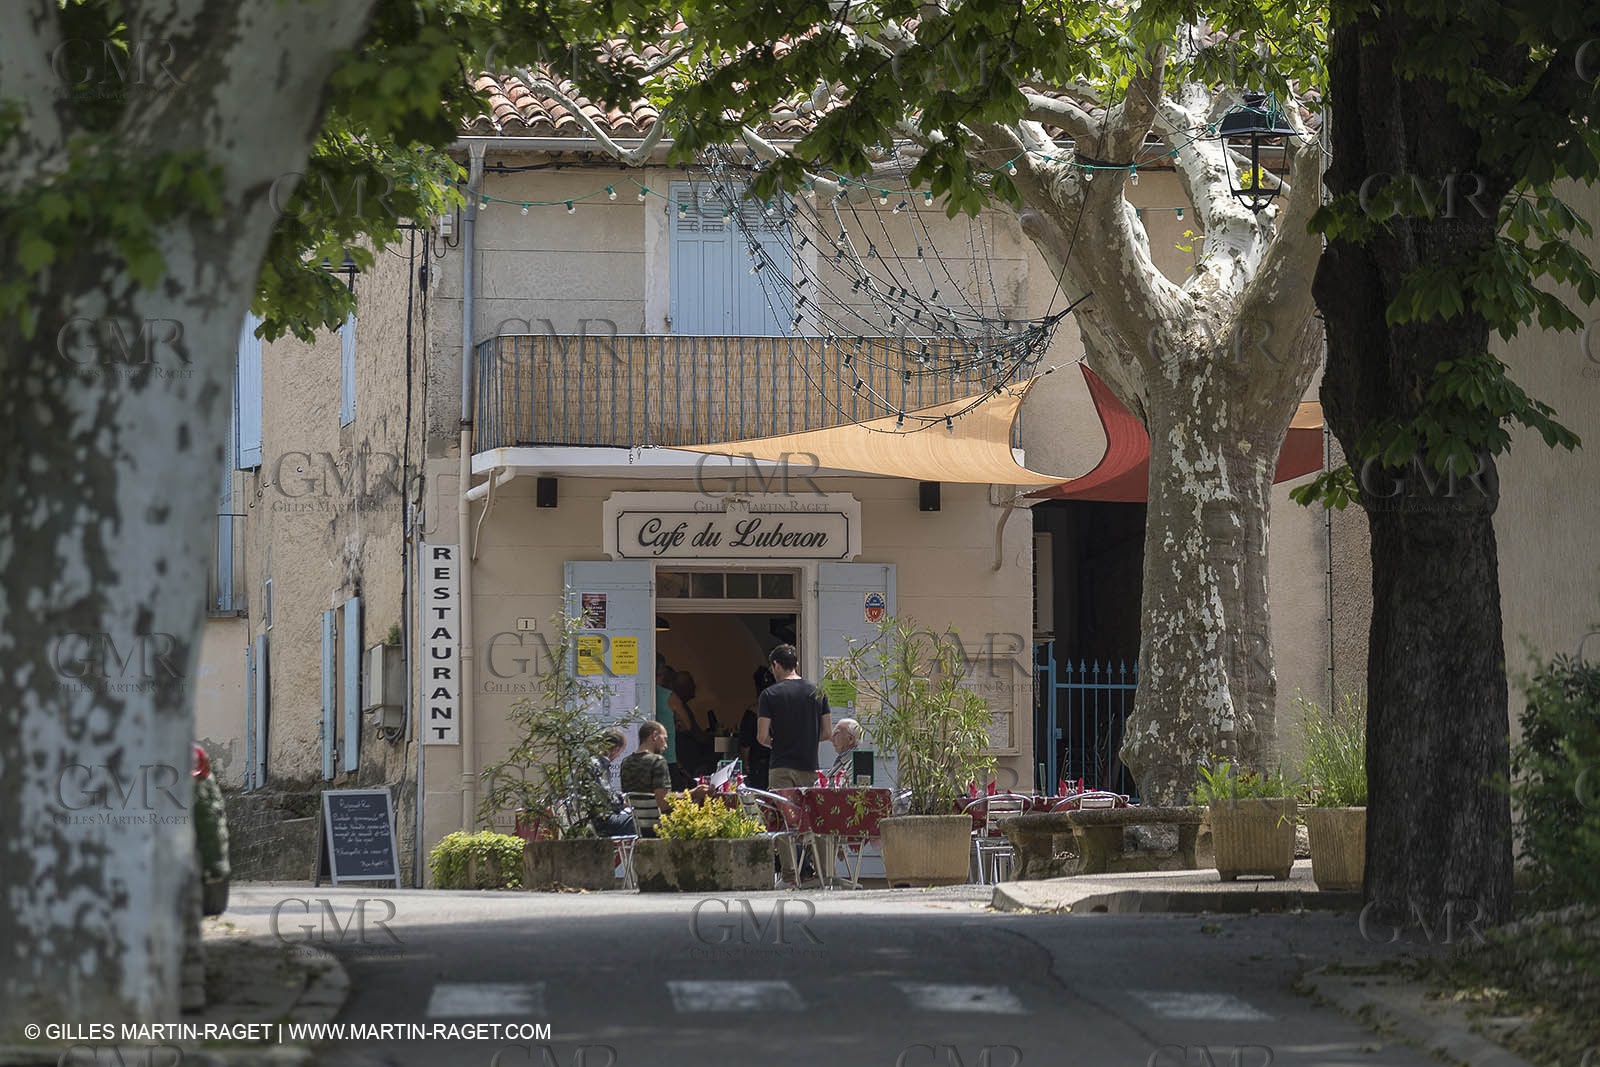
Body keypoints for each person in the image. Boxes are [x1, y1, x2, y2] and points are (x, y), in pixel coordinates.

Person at [757, 644, 831, 790]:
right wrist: (806, 741)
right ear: (796, 664)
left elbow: (761, 736)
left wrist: (777, 743)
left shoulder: (768, 695)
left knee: (782, 811)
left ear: (776, 665)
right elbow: (827, 732)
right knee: (808, 811)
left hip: (781, 767)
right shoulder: (818, 692)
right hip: (809, 767)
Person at [620, 721, 706, 835]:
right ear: (654, 735)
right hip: (659, 826)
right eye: (664, 739)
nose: (666, 745)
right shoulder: (657, 761)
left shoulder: (626, 762)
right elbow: (664, 802)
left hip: (636, 826)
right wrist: (694, 793)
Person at [588, 727, 634, 838]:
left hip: (594, 819)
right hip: (603, 821)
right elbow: (607, 800)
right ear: (616, 749)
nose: (618, 756)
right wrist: (623, 802)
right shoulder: (600, 765)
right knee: (641, 822)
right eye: (620, 752)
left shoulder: (590, 761)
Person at [655, 658, 690, 789]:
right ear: (663, 675)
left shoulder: (641, 692)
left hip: (646, 755)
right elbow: (688, 725)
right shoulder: (670, 696)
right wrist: (676, 725)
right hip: (668, 756)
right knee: (672, 797)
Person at [739, 665, 775, 790]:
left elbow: (745, 744)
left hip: (759, 765)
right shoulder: (783, 710)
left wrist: (746, 766)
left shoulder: (752, 713)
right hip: (778, 764)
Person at [829, 717, 862, 782]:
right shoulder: (844, 760)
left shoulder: (857, 763)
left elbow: (853, 791)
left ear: (850, 739)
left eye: (836, 734)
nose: (831, 739)